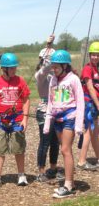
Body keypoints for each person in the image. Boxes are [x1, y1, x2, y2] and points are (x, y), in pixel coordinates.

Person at [0, 53, 30, 190]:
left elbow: (26, 100)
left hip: (17, 120)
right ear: (4, 69)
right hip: (0, 121)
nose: (14, 70)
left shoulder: (20, 81)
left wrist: (25, 118)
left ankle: (21, 175)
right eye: (11, 68)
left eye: (15, 68)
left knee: (19, 148)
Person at [44, 50, 84, 198]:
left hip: (70, 117)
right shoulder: (53, 80)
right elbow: (50, 101)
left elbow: (80, 102)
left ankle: (67, 186)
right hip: (57, 119)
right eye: (52, 66)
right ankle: (71, 183)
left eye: (56, 67)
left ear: (65, 65)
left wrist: (79, 125)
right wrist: (48, 121)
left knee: (65, 149)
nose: (54, 69)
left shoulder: (73, 79)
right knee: (65, 150)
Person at [35, 35, 62, 182]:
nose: (51, 63)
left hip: (57, 111)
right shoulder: (40, 76)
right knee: (44, 141)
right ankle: (41, 171)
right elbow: (45, 69)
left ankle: (53, 168)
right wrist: (48, 46)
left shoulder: (58, 77)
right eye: (47, 59)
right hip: (44, 112)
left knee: (55, 142)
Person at [77, 41, 99, 170]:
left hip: (95, 103)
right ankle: (81, 161)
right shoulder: (88, 69)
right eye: (93, 55)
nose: (95, 57)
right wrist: (97, 104)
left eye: (97, 55)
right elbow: (90, 88)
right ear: (89, 55)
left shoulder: (97, 68)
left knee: (94, 133)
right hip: (90, 103)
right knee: (89, 132)